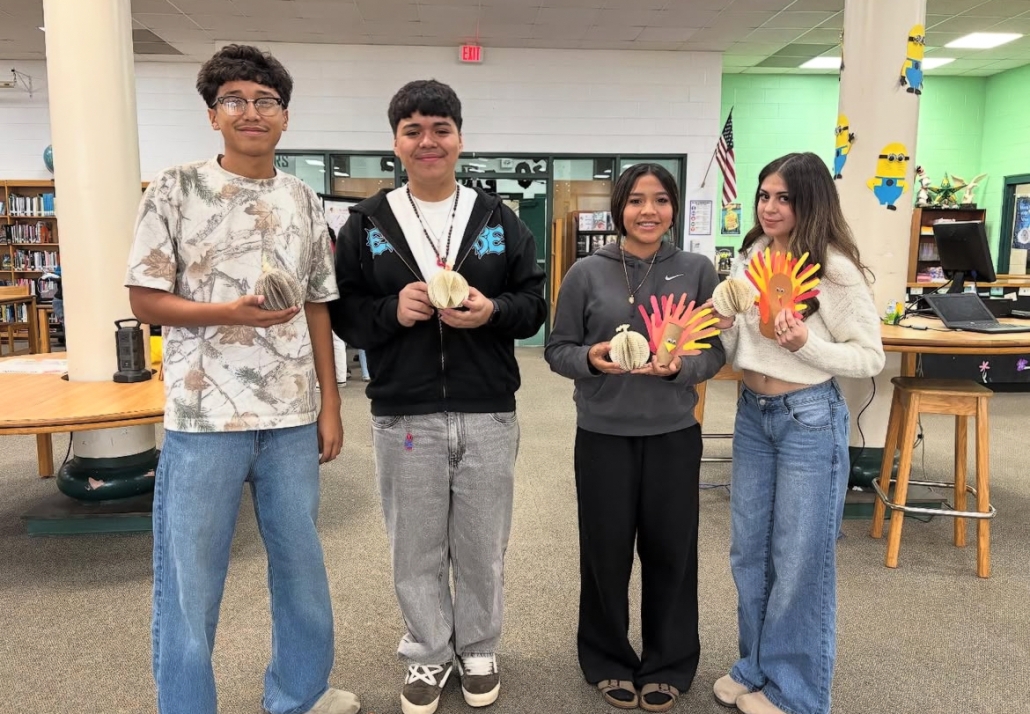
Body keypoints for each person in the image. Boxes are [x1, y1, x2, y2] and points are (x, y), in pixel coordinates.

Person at [124, 45, 358, 714]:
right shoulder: (175, 188)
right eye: (235, 100)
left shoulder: (301, 199)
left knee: (302, 574)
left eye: (265, 101)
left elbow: (317, 301)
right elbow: (144, 300)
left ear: (284, 118)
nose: (251, 112)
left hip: (289, 420)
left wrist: (330, 402)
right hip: (203, 423)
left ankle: (299, 694)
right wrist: (225, 313)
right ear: (212, 115)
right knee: (189, 585)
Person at [329, 79, 547, 714]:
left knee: (483, 541)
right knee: (415, 542)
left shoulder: (498, 220)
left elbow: (533, 304)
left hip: (486, 408)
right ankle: (426, 650)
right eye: (413, 130)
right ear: (395, 142)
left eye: (440, 128)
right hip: (404, 410)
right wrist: (391, 311)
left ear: (459, 138)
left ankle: (477, 645)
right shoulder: (367, 223)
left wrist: (492, 311)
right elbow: (344, 312)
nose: (428, 141)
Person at [545, 164, 725, 712]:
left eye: (662, 200)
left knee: (673, 551)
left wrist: (681, 371)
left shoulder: (697, 272)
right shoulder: (584, 272)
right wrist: (592, 361)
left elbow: (715, 353)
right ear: (620, 206)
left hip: (672, 433)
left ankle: (668, 662)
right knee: (605, 552)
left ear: (673, 209)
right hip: (602, 435)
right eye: (637, 200)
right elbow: (558, 350)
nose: (650, 211)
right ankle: (607, 658)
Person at [709, 152, 885, 714]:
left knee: (800, 556)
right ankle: (755, 666)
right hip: (752, 415)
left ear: (808, 202)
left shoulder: (832, 268)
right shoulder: (753, 258)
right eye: (763, 196)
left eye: (783, 197)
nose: (769, 206)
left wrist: (805, 345)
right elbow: (742, 351)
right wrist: (726, 326)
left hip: (807, 417)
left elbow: (869, 358)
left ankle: (797, 693)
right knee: (749, 552)